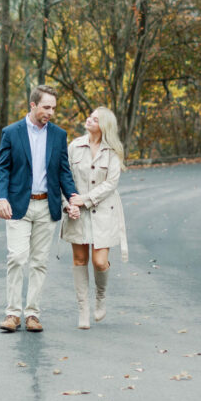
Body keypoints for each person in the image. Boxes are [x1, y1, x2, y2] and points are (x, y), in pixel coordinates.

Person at [0, 85, 80, 333]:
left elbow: (64, 172)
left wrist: (72, 199)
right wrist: (1, 198)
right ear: (33, 105)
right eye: (46, 107)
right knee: (17, 257)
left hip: (47, 206)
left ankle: (32, 314)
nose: (51, 112)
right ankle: (12, 314)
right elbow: (2, 169)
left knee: (39, 262)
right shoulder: (11, 133)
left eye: (53, 107)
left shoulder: (58, 135)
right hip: (18, 206)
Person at [60, 107, 127, 329]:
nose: (89, 119)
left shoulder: (113, 151)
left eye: (95, 119)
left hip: (103, 211)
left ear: (104, 126)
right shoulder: (74, 146)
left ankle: (101, 297)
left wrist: (86, 199)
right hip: (76, 210)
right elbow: (63, 176)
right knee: (79, 260)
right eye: (90, 116)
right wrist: (69, 204)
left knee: (99, 261)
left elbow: (111, 183)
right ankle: (83, 309)